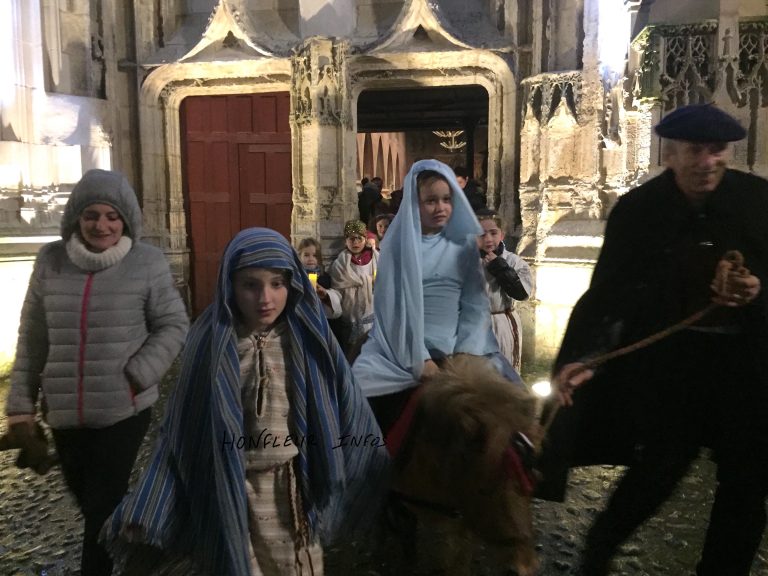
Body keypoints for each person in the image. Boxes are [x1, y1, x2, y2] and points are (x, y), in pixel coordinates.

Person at [536, 104, 768, 576]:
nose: (707, 162)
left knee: (746, 482)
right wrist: (585, 357)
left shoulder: (758, 201)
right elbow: (609, 295)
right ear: (670, 153)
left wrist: (757, 290)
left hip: (747, 368)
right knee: (658, 468)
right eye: (694, 151)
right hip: (674, 369)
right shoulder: (639, 212)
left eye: (716, 151)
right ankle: (597, 552)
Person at [102, 227, 389, 576]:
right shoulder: (210, 342)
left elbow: (345, 399)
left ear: (292, 283)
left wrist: (371, 462)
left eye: (276, 284)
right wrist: (151, 501)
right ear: (230, 285)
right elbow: (182, 428)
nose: (264, 298)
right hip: (229, 489)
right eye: (250, 285)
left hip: (290, 491)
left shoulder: (308, 338)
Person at [0, 169, 189, 576]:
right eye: (91, 215)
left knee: (103, 504)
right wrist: (20, 408)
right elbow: (32, 338)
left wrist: (138, 374)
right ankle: (130, 554)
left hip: (124, 410)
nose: (101, 225)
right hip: (64, 413)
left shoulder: (147, 262)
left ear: (126, 220)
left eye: (111, 216)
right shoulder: (50, 261)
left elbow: (174, 324)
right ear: (76, 217)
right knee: (89, 503)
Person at [352, 159, 521, 433]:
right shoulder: (399, 246)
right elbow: (394, 307)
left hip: (463, 348)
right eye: (430, 200)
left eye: (446, 199)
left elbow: (474, 304)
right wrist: (421, 360)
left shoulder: (464, 244)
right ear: (414, 204)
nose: (440, 207)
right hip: (404, 349)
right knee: (363, 404)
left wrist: (466, 353)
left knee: (513, 407)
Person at [476, 209, 533, 372]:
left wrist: (500, 267)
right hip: (474, 325)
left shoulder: (514, 262)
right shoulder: (467, 262)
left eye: (493, 233)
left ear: (502, 235)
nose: (488, 239)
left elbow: (521, 293)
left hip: (502, 323)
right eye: (481, 234)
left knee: (503, 372)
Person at [329, 220, 379, 355]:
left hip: (372, 316)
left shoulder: (376, 259)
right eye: (351, 238)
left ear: (365, 240)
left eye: (359, 238)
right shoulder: (340, 265)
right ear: (346, 241)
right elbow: (337, 292)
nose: (355, 242)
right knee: (351, 355)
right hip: (350, 319)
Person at [296, 237, 342, 320]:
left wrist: (325, 296)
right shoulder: (296, 277)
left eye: (314, 255)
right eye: (306, 255)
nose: (311, 259)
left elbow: (334, 303)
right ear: (299, 257)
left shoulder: (324, 278)